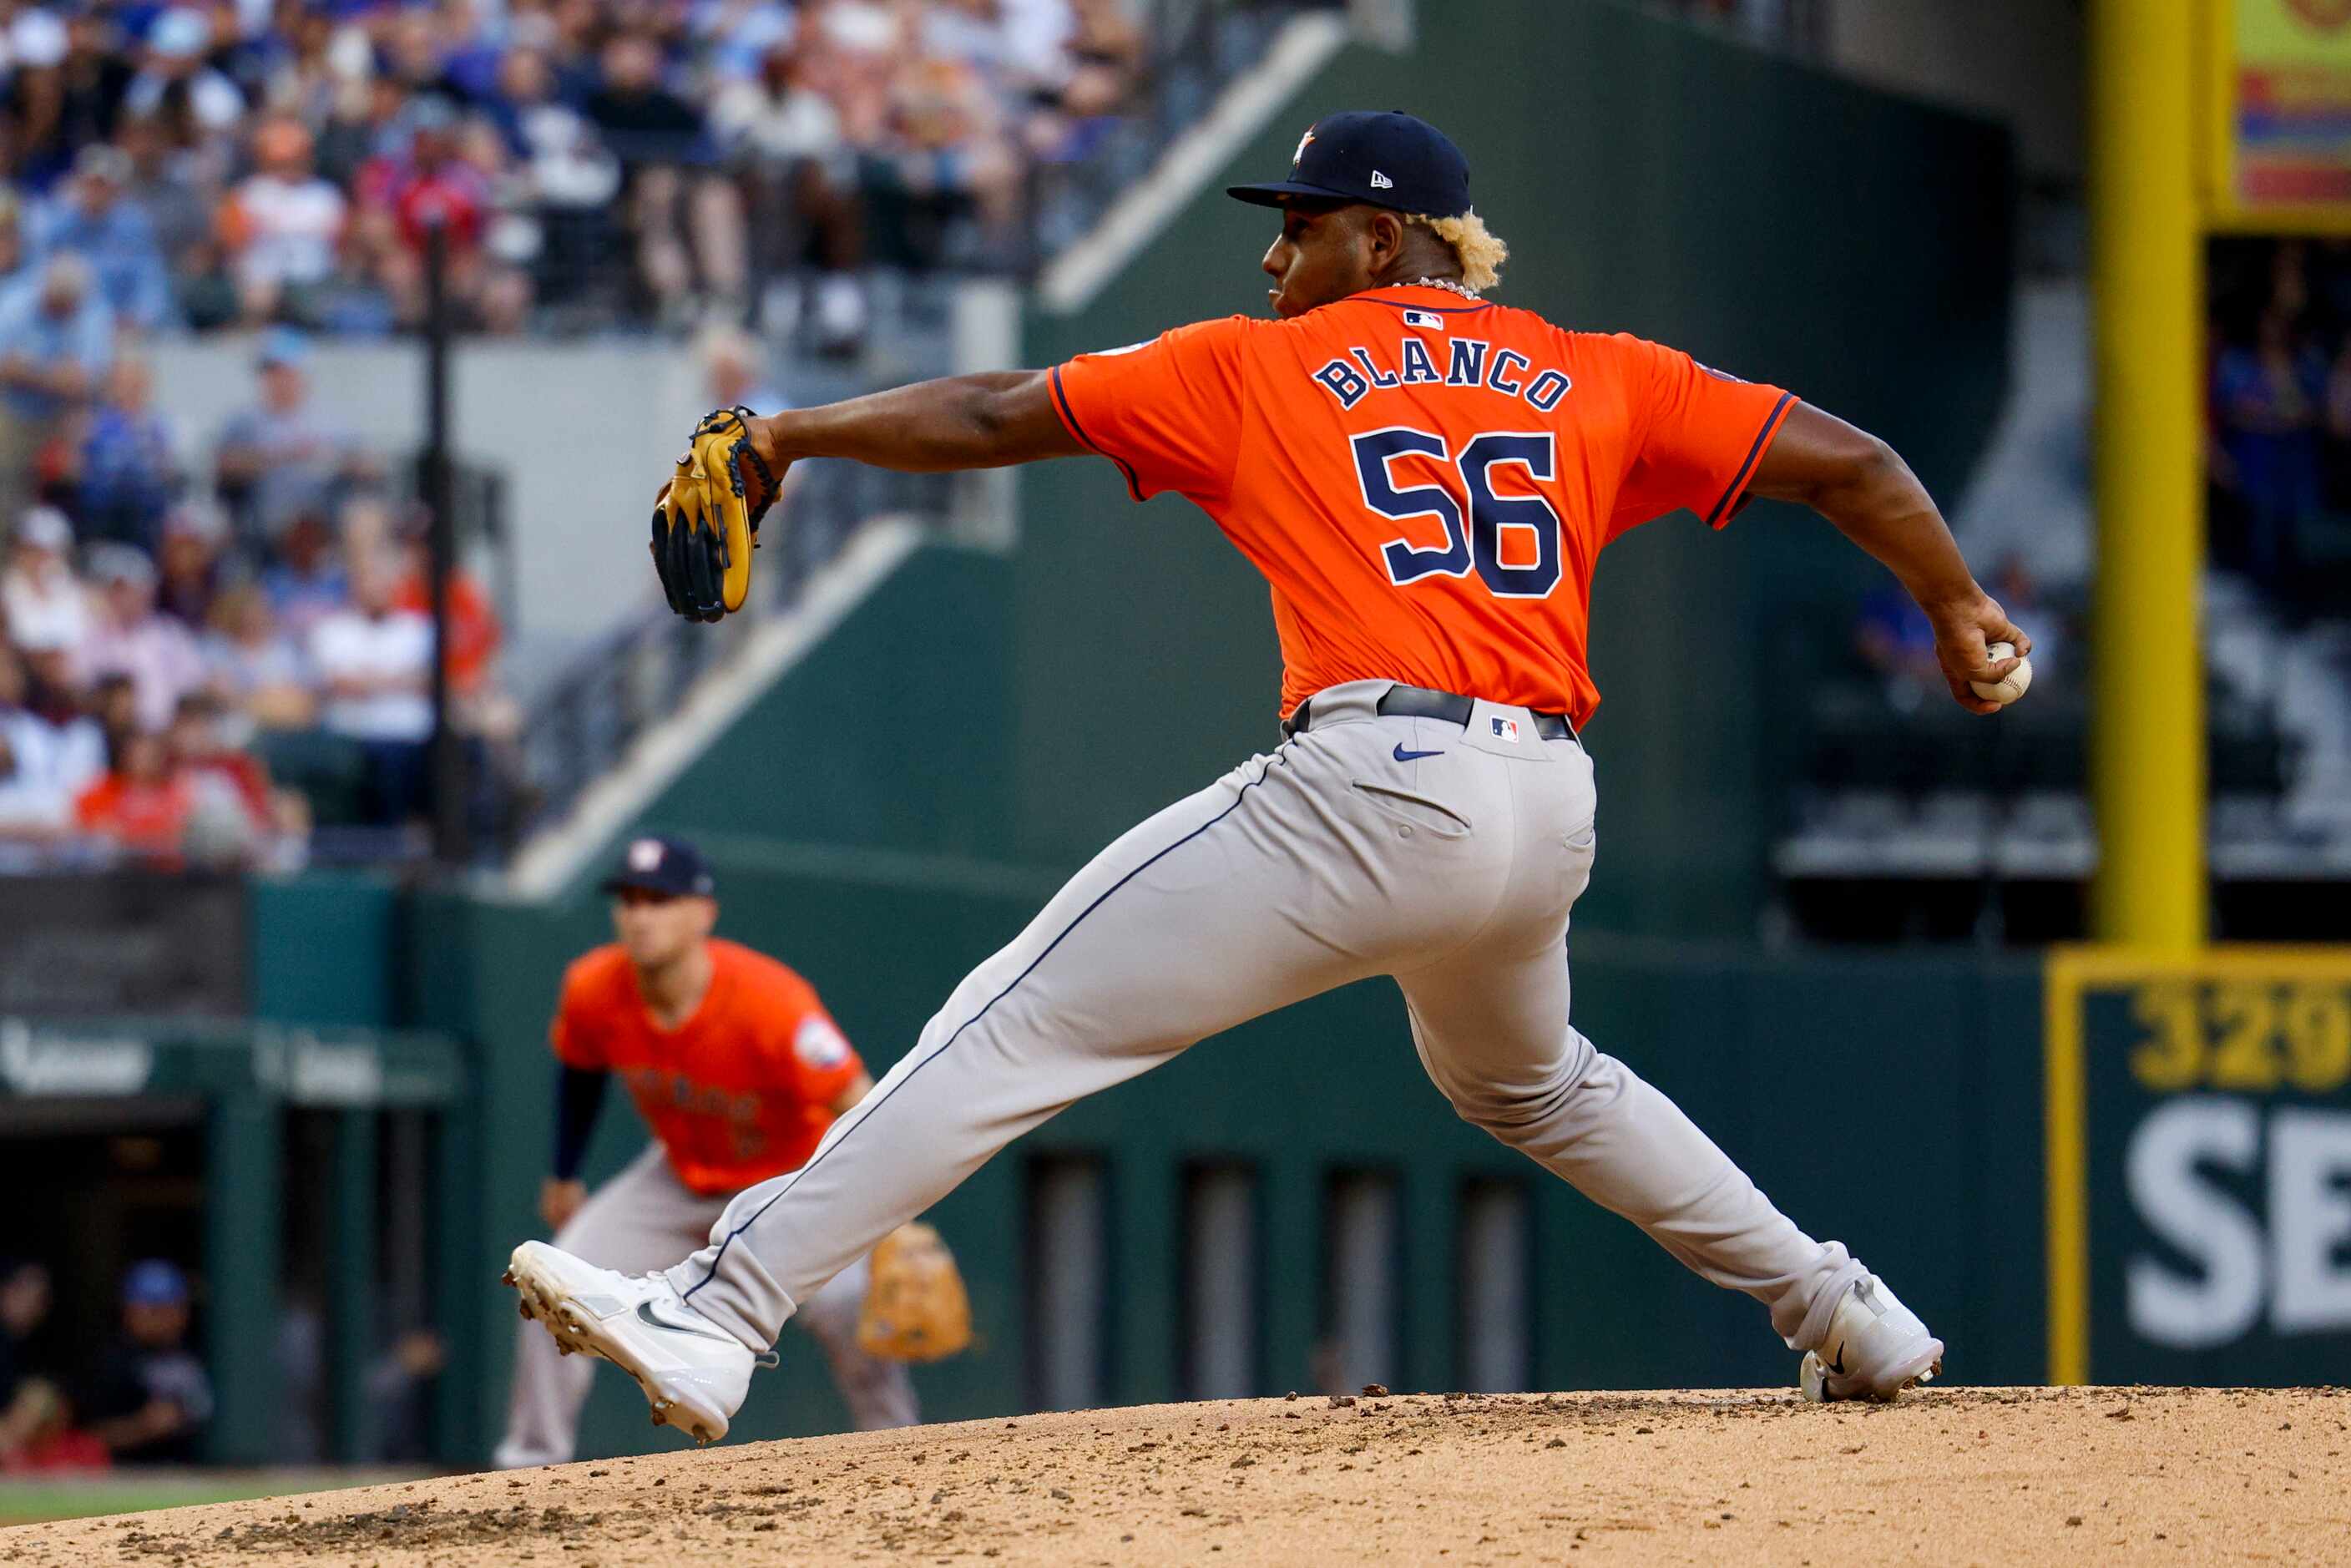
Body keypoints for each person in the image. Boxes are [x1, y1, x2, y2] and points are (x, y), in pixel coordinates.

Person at [505, 111, 2032, 1443]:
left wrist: (785, 437)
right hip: (1542, 804)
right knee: (1532, 1079)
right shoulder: (1596, 372)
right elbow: (1860, 465)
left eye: (1297, 229)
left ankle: (722, 1303)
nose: (1271, 261)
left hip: (1374, 781)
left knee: (1018, 1017)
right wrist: (1960, 607)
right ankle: (1847, 1310)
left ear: (1383, 238)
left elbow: (993, 411)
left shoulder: (1263, 366)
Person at [493, 835, 917, 1468]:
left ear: (703, 913)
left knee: (854, 1310)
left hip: (788, 1183)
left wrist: (895, 1219)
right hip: (679, 1177)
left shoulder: (771, 1002)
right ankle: (528, 1463)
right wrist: (565, 1172)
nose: (640, 916)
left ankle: (899, 1453)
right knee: (554, 1279)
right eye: (630, 900)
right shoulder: (594, 987)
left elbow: (867, 1102)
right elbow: (579, 1073)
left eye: (660, 900)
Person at [306, 548, 432, 824]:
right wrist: (397, 680)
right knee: (388, 763)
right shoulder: (332, 629)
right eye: (370, 580)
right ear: (356, 585)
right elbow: (340, 684)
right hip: (356, 732)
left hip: (415, 731)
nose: (378, 588)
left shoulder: (416, 628)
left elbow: (428, 680)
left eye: (384, 580)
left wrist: (370, 679)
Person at [214, 329, 370, 547]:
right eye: (271, 373)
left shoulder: (332, 421)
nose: (277, 380)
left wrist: (334, 459)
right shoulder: (246, 420)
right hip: (265, 528)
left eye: (284, 371)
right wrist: (279, 456)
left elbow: (369, 465)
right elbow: (224, 465)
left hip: (323, 522)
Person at [28, 144, 173, 332]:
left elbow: (151, 281)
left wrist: (139, 318)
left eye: (102, 185)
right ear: (79, 184)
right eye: (90, 184)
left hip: (124, 329)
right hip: (68, 328)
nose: (95, 192)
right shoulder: (59, 224)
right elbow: (38, 275)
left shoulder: (134, 226)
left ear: (117, 190)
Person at [83, 1260, 215, 1464]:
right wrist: (142, 1427)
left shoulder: (197, 1349)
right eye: (155, 1309)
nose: (167, 1318)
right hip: (125, 1475)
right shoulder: (111, 1361)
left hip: (192, 1472)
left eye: (174, 1308)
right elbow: (86, 1436)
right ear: (130, 1310)